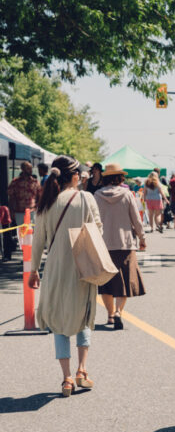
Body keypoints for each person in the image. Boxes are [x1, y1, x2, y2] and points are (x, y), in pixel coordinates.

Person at [28, 155, 102, 397]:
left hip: (55, 270)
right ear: (74, 176)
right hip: (83, 268)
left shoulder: (46, 201)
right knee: (84, 314)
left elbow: (38, 241)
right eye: (79, 173)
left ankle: (67, 378)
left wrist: (34, 271)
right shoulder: (85, 198)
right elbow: (98, 230)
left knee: (58, 321)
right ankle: (82, 370)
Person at [95, 163, 146, 330]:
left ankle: (109, 315)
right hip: (125, 244)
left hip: (103, 245)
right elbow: (136, 219)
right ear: (120, 177)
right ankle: (118, 312)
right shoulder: (127, 194)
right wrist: (142, 237)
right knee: (123, 281)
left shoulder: (96, 195)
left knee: (106, 283)